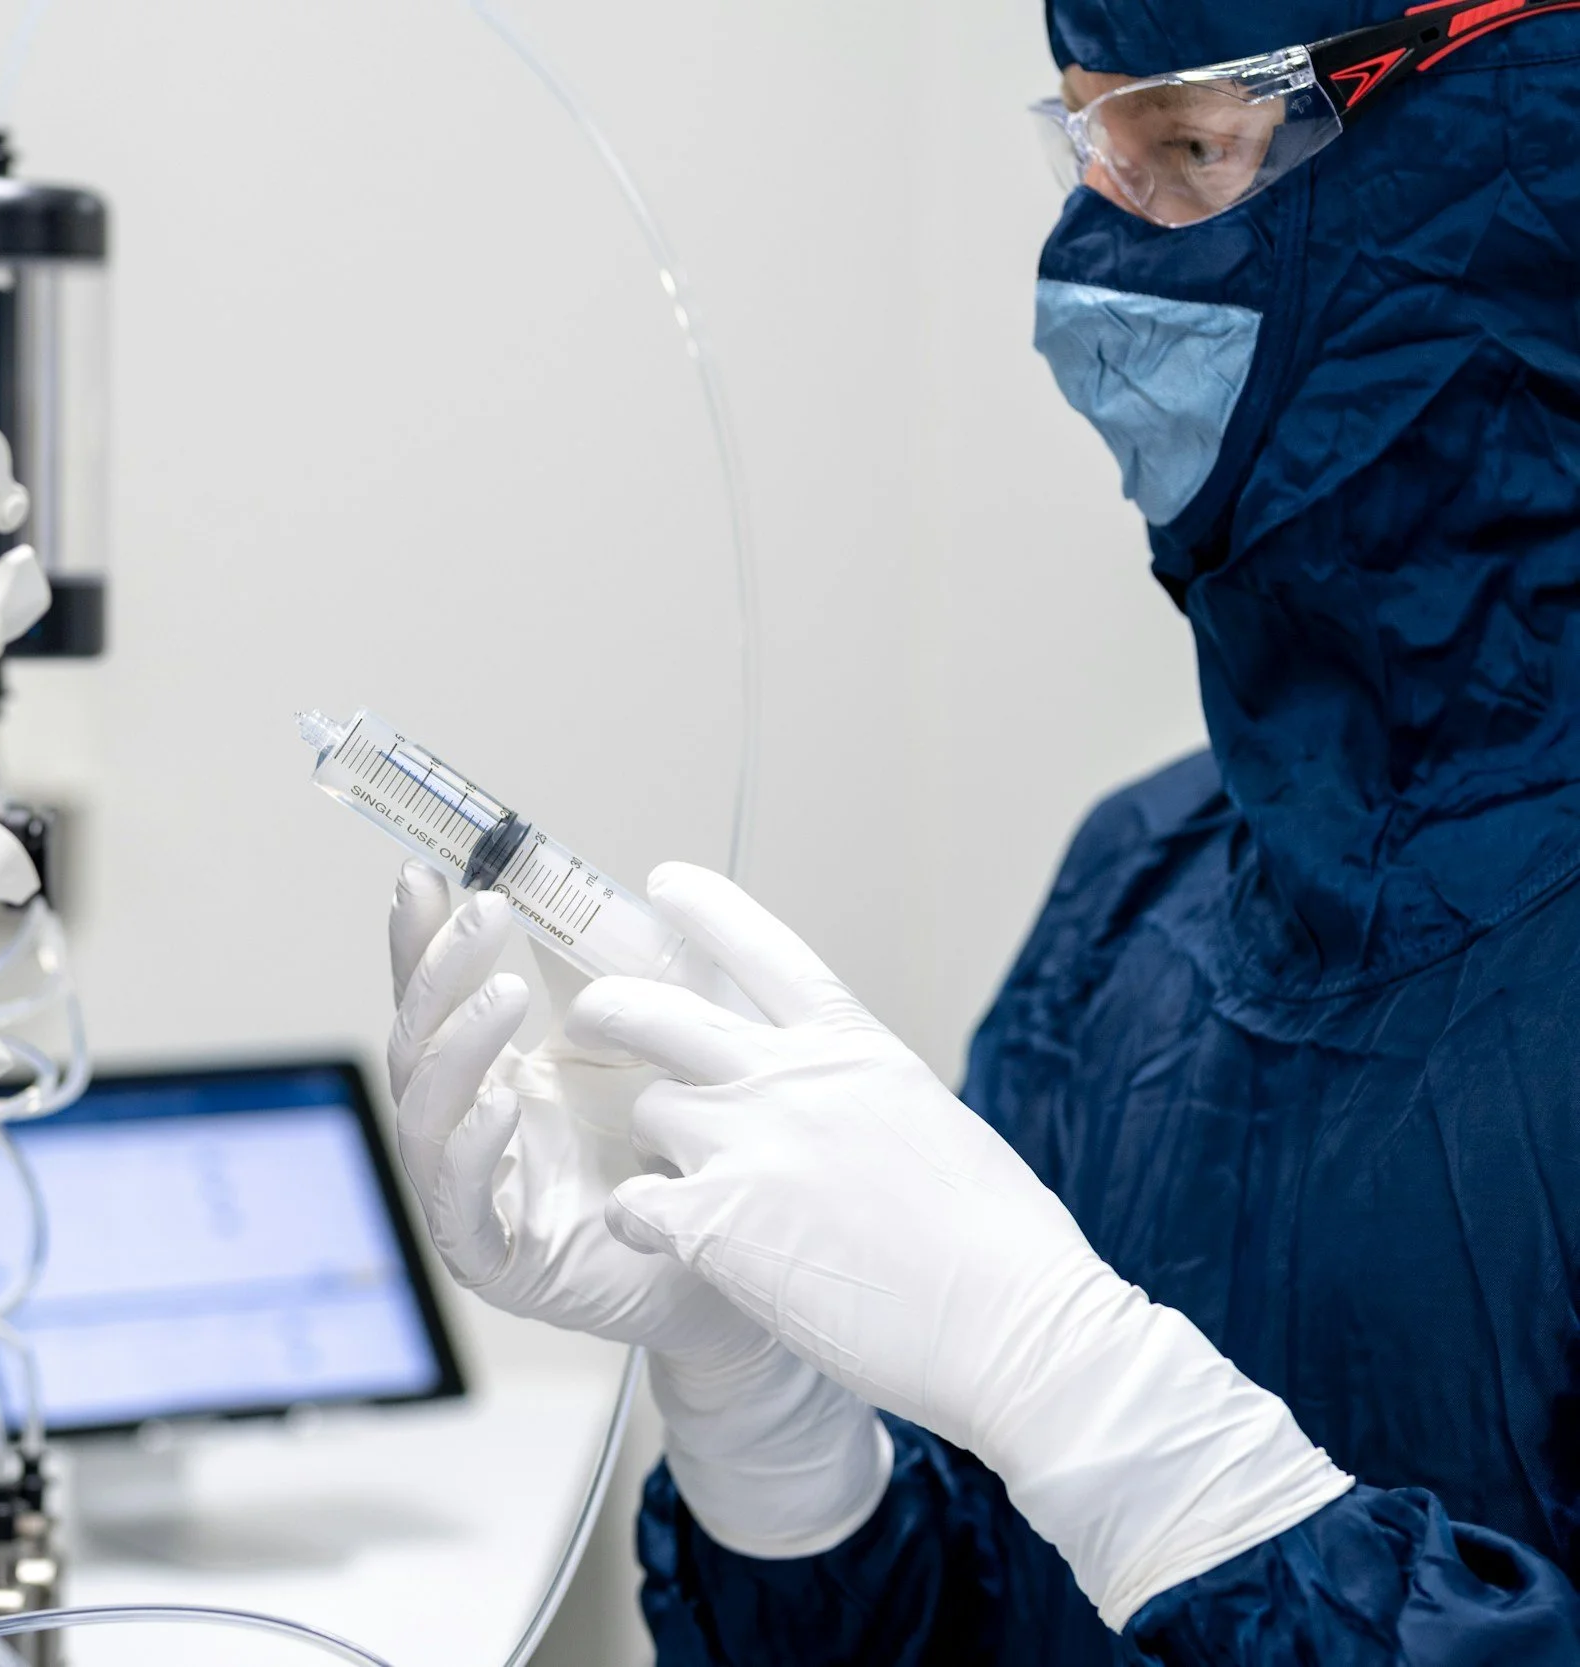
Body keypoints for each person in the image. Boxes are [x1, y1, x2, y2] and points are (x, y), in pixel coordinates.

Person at [385, 0, 1580, 1659]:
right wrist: (766, 1420)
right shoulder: (1138, 897)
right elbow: (981, 1622)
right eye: (1085, 150)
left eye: (1186, 151)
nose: (1085, 272)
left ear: (1504, 142)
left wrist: (1104, 1409)